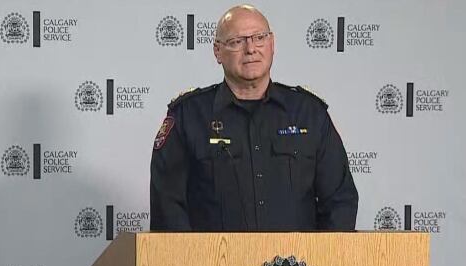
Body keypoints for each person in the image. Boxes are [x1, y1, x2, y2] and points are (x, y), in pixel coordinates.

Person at [150, 4, 358, 231]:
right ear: (217, 51)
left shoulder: (309, 113)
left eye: (259, 37)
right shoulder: (188, 116)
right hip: (215, 264)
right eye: (237, 41)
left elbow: (340, 202)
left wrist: (323, 261)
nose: (251, 49)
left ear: (272, 44)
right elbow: (168, 207)